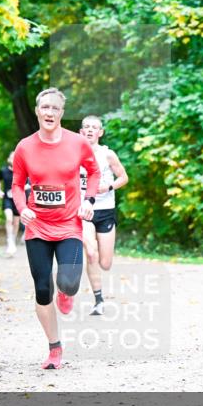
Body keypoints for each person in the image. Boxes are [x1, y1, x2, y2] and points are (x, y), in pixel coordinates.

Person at [11, 88, 100, 369]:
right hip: (37, 227)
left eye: (55, 109)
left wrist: (89, 200)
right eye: (45, 107)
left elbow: (94, 172)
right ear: (38, 110)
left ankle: (66, 292)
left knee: (69, 283)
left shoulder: (77, 143)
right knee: (41, 290)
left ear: (62, 113)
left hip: (69, 225)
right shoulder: (25, 147)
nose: (50, 113)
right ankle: (54, 348)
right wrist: (22, 207)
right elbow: (16, 184)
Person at [78, 116, 128, 315]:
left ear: (101, 132)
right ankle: (98, 300)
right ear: (81, 132)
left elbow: (124, 177)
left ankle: (99, 265)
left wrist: (108, 186)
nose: (90, 130)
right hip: (84, 210)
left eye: (94, 127)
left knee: (105, 263)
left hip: (106, 210)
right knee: (91, 253)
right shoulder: (73, 154)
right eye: (87, 127)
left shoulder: (108, 155)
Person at [0, 152, 21, 256]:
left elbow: (27, 183)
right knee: (9, 219)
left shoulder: (21, 171)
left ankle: (13, 240)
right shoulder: (3, 171)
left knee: (16, 223)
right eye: (11, 157)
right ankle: (9, 240)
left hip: (18, 199)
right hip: (7, 199)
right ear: (8, 159)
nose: (13, 159)